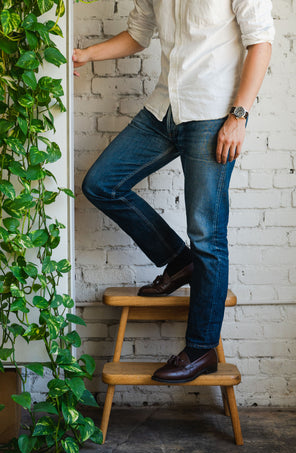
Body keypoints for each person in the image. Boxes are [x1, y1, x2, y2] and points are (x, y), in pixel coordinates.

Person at [72, 1, 275, 383]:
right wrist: (86, 54)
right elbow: (137, 35)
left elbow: (260, 43)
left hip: (213, 113)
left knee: (207, 237)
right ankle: (179, 260)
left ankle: (201, 351)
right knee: (102, 184)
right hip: (163, 110)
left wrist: (239, 117)